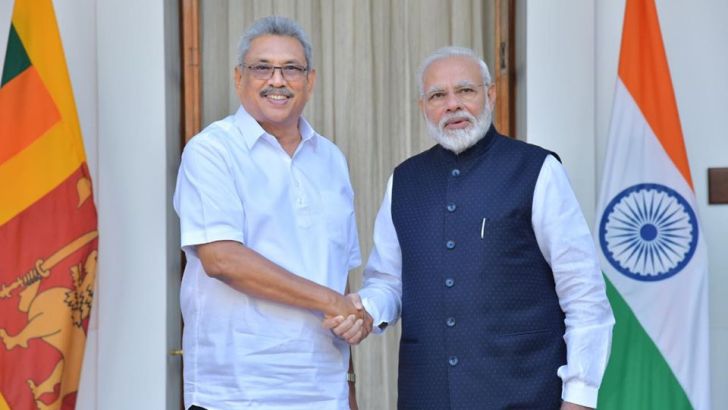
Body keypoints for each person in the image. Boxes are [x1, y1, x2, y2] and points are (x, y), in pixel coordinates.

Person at [329, 46, 615, 409]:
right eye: (438, 95)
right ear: (423, 108)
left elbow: (583, 294)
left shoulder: (537, 170)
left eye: (465, 91)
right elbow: (388, 281)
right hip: (427, 396)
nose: (452, 105)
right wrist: (367, 308)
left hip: (524, 394)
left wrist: (580, 396)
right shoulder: (403, 181)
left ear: (490, 95)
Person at [173, 16, 367, 410]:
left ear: (309, 81)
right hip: (235, 392)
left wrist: (348, 379)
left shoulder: (331, 159)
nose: (277, 80)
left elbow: (339, 273)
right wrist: (332, 301)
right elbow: (223, 260)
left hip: (322, 391)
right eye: (262, 67)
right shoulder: (212, 150)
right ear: (238, 77)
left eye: (291, 69)